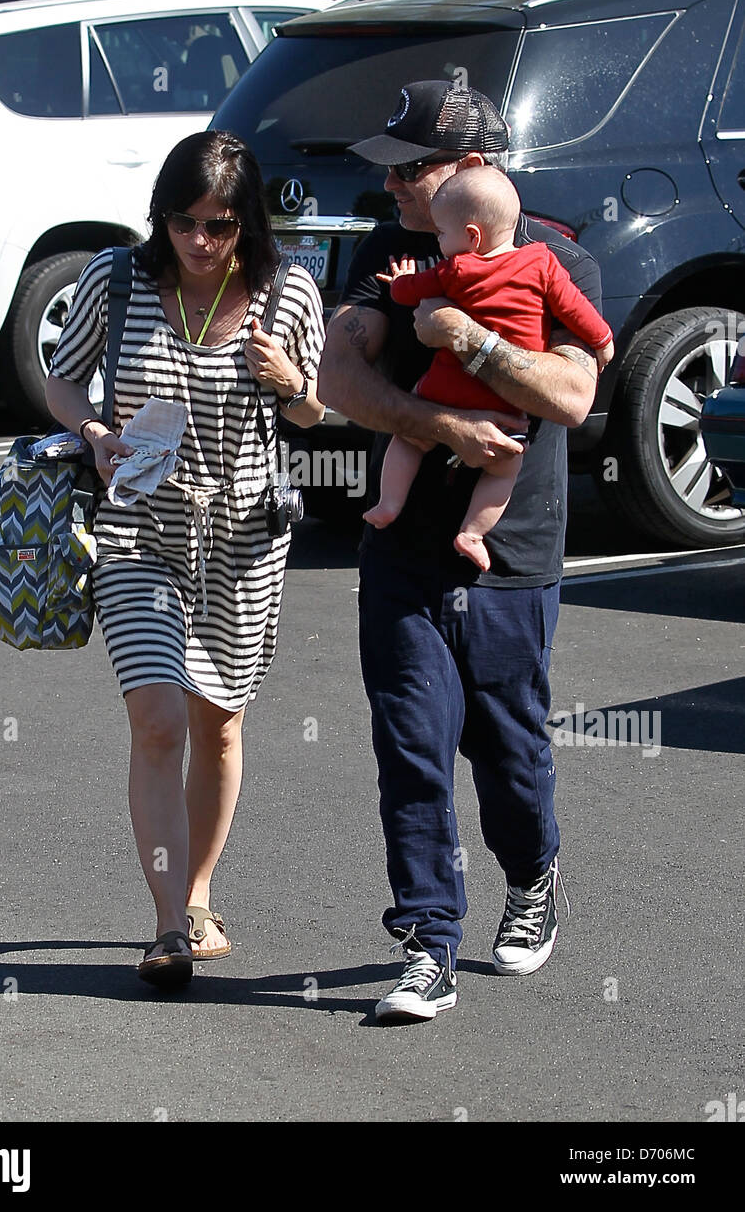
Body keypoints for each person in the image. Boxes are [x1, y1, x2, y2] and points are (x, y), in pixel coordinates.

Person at [317, 80, 603, 1023]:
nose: (395, 186)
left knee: (507, 746)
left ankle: (533, 873)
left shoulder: (559, 260)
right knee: (411, 743)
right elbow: (339, 371)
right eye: (390, 168)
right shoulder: (387, 253)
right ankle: (428, 941)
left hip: (511, 556)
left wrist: (469, 342)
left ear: (476, 170)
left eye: (414, 168)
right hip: (404, 548)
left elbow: (570, 395)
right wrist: (439, 423)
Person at [45, 130, 325, 989]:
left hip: (241, 540)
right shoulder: (116, 280)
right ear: (160, 217)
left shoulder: (288, 295)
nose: (202, 242)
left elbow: (318, 415)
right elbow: (62, 377)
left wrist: (290, 382)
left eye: (222, 225)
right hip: (137, 532)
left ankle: (199, 893)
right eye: (185, 222)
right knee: (159, 720)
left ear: (248, 226)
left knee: (220, 721)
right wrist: (93, 433)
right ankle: (169, 927)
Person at [364, 165, 613, 570]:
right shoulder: (544, 263)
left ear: (472, 237)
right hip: (505, 403)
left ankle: (389, 503)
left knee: (408, 440)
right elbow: (575, 309)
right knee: (504, 469)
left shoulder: (457, 269)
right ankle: (473, 533)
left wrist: (399, 282)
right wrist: (602, 341)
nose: (440, 241)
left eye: (443, 233)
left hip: (445, 388)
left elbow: (410, 292)